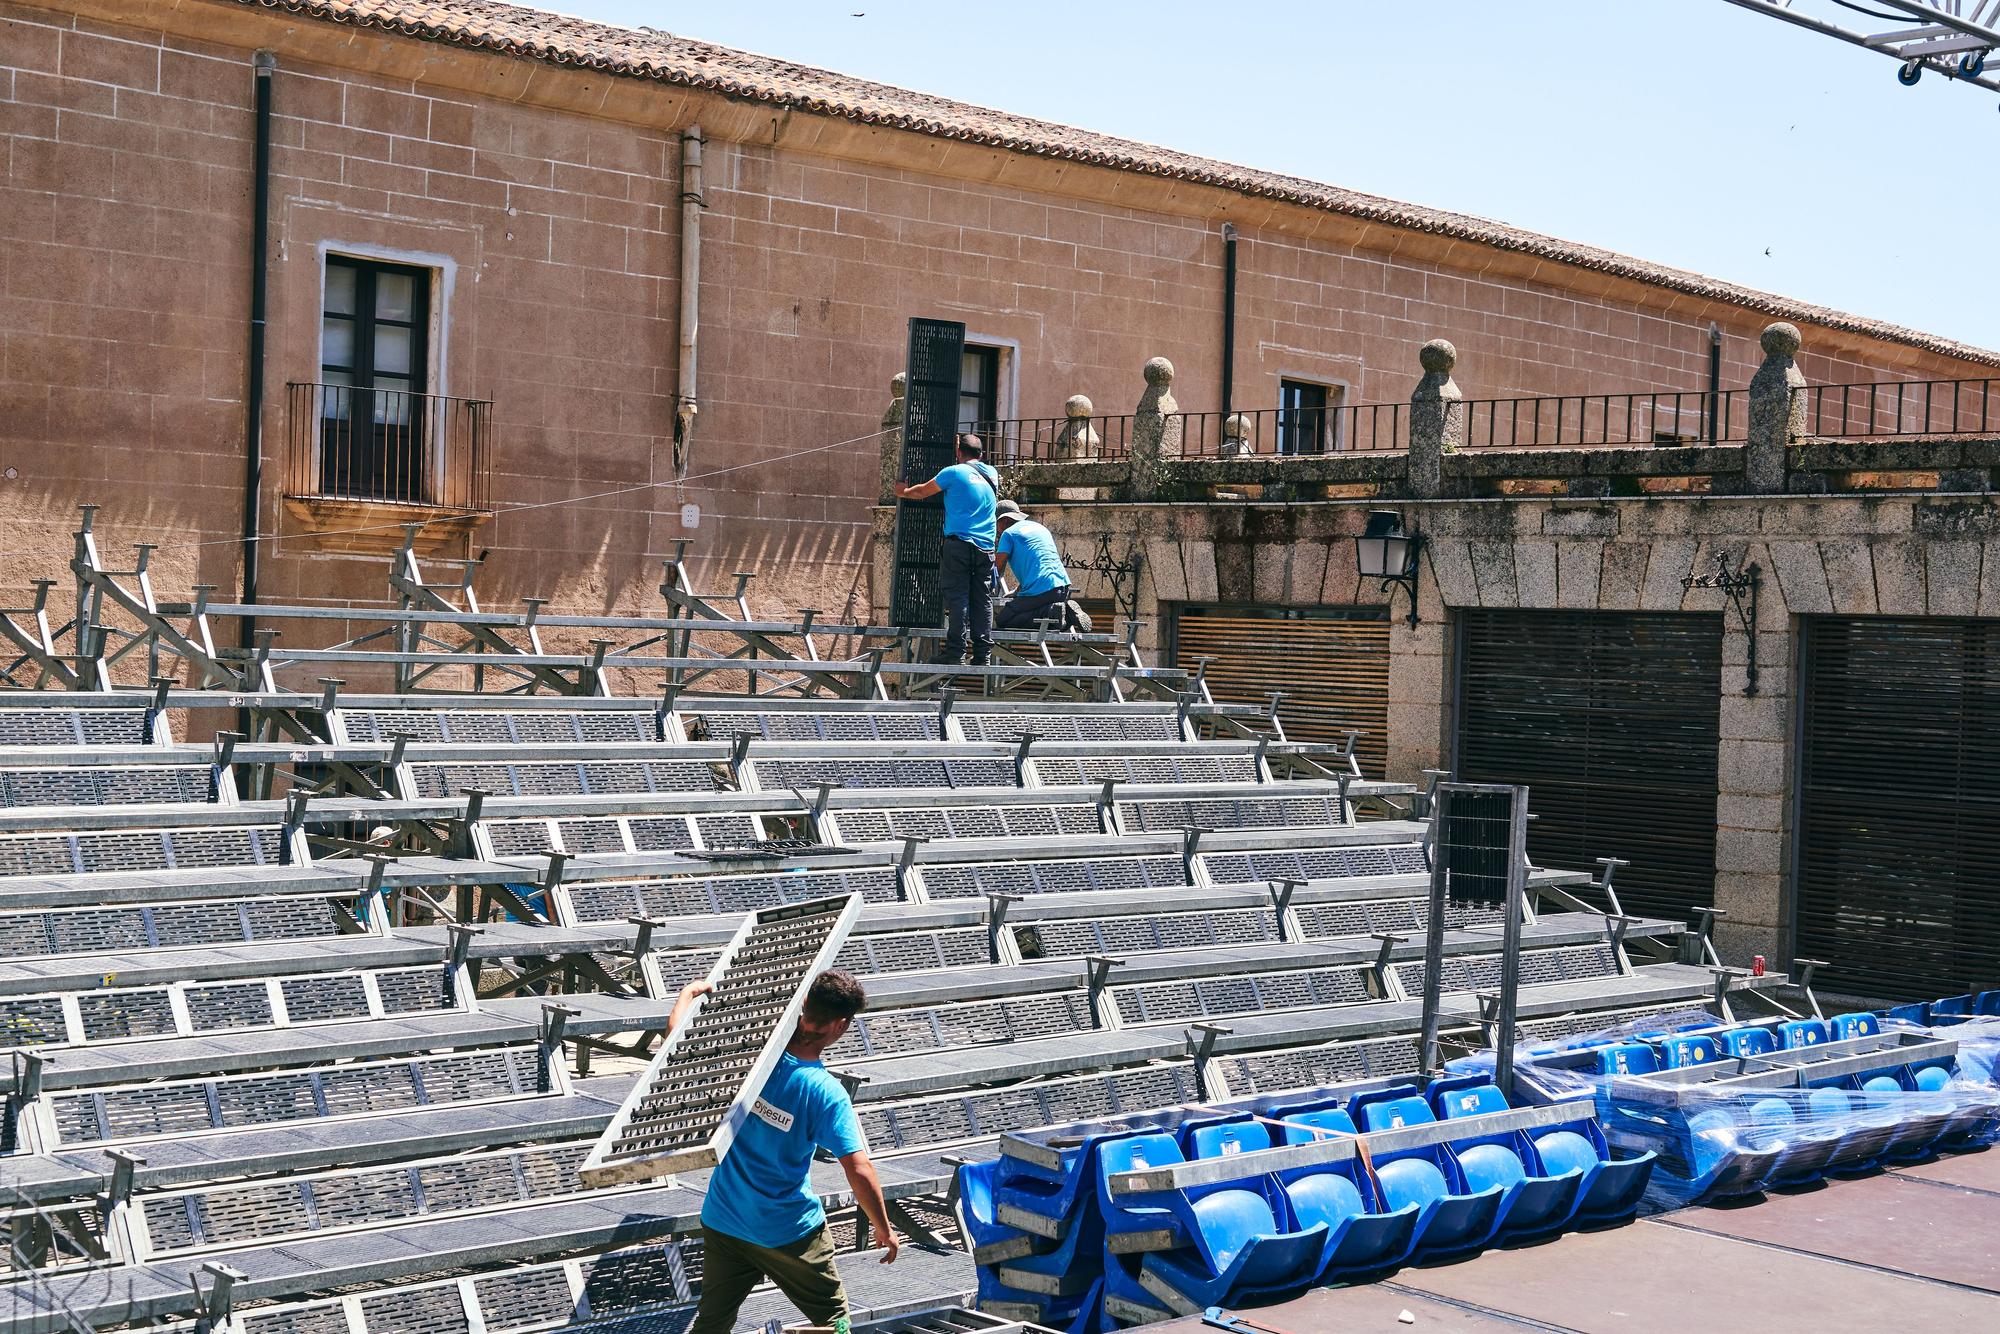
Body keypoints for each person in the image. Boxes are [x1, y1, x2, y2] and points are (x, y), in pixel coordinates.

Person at [684, 970, 896, 1334]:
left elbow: (678, 1046)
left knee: (711, 1324)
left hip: (725, 1219)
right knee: (836, 1326)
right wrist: (883, 1226)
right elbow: (858, 1168)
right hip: (789, 1231)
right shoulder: (826, 1092)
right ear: (840, 1026)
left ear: (803, 1007)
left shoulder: (752, 1056)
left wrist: (688, 994)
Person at [892, 434, 997, 665]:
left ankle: (956, 652)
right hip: (986, 547)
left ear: (959, 451)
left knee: (958, 597)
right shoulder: (992, 474)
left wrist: (903, 492)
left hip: (959, 544)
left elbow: (922, 491)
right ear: (981, 454)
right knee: (983, 599)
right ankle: (982, 654)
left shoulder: (954, 472)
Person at [992, 499, 1078, 631]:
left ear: (1005, 520)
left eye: (996, 523)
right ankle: (1064, 614)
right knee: (1031, 611)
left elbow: (995, 569)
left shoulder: (1008, 534)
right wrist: (1016, 592)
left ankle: (1050, 613)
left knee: (1004, 619)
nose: (996, 529)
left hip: (1041, 591)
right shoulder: (1040, 528)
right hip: (1062, 587)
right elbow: (1038, 564)